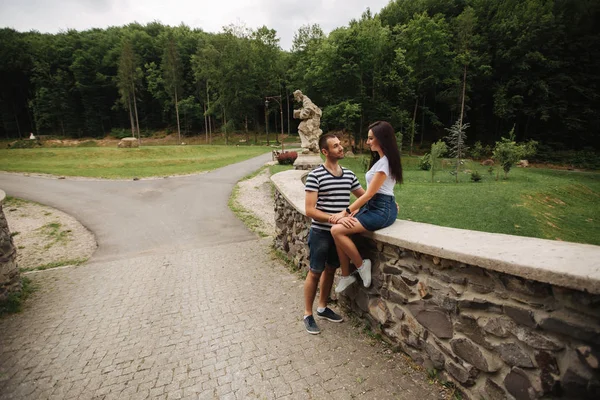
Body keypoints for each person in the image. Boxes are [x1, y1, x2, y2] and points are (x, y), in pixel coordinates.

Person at [329, 121, 403, 293]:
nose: (368, 142)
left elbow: (370, 194)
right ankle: (347, 275)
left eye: (371, 138)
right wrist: (358, 210)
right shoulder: (382, 160)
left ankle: (362, 265)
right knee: (338, 230)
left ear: (381, 139)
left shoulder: (385, 163)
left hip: (381, 210)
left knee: (337, 230)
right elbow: (378, 192)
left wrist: (344, 212)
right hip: (376, 206)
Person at [303, 133, 365, 334]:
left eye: (341, 145)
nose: (341, 148)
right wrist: (334, 218)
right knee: (315, 272)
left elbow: (364, 197)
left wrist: (388, 203)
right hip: (321, 232)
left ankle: (322, 308)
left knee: (330, 269)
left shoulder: (348, 174)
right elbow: (310, 210)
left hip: (339, 235)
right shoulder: (315, 175)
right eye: (336, 146)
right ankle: (308, 314)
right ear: (325, 152)